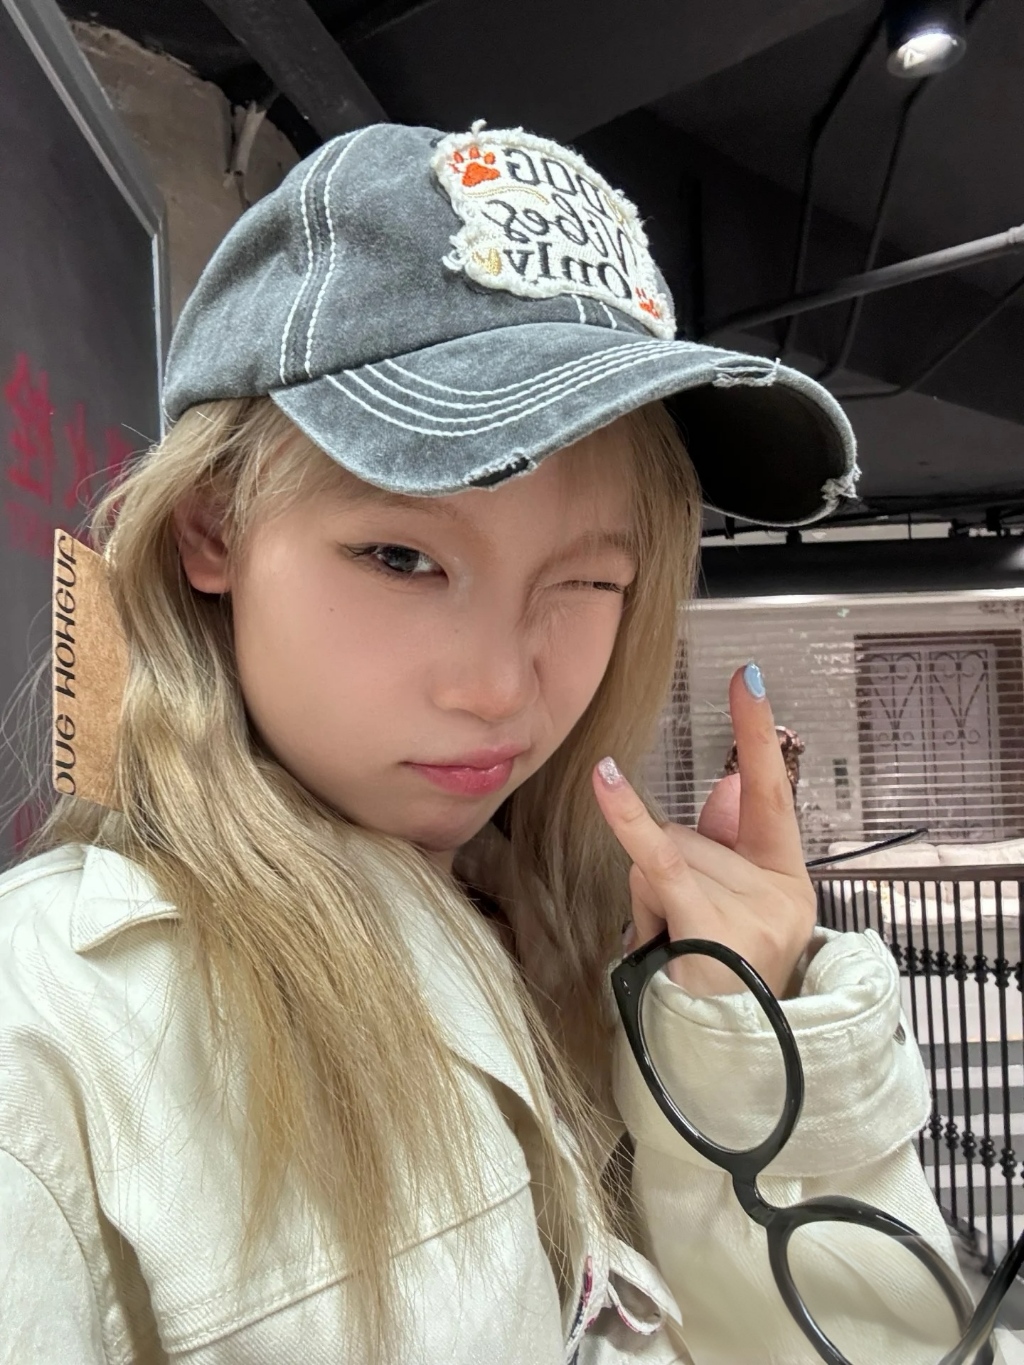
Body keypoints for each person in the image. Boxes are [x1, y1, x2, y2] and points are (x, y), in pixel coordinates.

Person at [0, 121, 995, 1364]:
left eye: (587, 582)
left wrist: (754, 1043)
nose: (499, 687)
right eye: (401, 557)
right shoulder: (53, 1029)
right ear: (213, 530)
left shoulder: (588, 938)